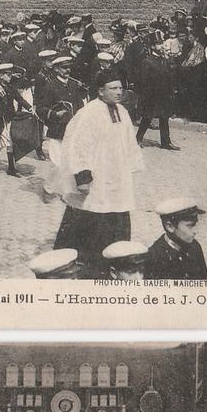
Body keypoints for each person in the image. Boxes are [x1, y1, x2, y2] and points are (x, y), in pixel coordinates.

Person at [49, 69, 145, 268]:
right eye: (113, 88)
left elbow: (129, 142)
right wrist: (83, 177)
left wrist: (131, 166)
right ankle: (86, 261)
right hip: (95, 178)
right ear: (101, 91)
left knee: (117, 212)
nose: (119, 92)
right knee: (91, 216)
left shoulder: (123, 112)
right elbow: (77, 144)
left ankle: (114, 259)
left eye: (121, 88)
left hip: (116, 176)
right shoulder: (89, 113)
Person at [144, 197, 207, 281]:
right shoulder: (154, 257)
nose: (195, 231)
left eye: (196, 225)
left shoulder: (194, 246)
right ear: (170, 226)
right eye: (190, 226)